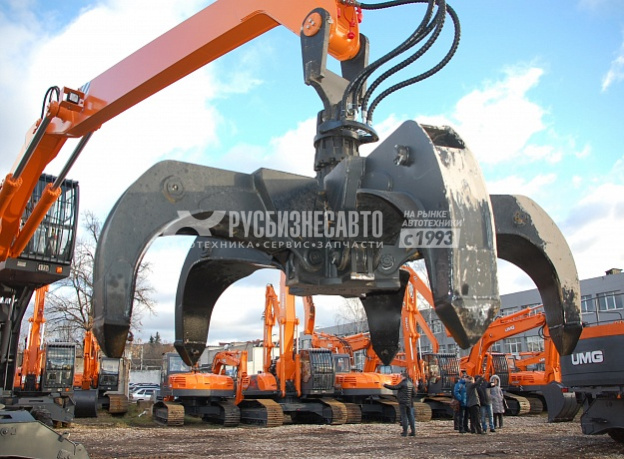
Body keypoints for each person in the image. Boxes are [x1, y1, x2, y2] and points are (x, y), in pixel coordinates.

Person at [384, 372, 416, 437]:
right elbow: (414, 393)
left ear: (403, 376)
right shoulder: (410, 383)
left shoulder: (403, 383)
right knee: (411, 417)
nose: (400, 377)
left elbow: (395, 387)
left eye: (401, 376)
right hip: (410, 403)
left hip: (403, 402)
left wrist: (385, 385)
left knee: (404, 416)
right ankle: (413, 431)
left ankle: (405, 432)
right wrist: (410, 398)